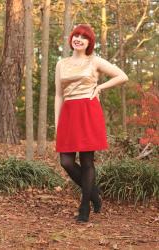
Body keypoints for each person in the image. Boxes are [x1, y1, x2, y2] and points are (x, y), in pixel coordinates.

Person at [54, 24, 128, 223]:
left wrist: (99, 87)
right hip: (69, 114)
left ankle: (85, 206)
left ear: (89, 43)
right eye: (76, 35)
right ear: (71, 39)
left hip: (88, 110)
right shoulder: (61, 64)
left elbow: (122, 76)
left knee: (87, 162)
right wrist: (57, 122)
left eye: (83, 37)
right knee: (66, 162)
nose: (78, 39)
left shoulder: (94, 61)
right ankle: (94, 193)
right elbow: (59, 94)